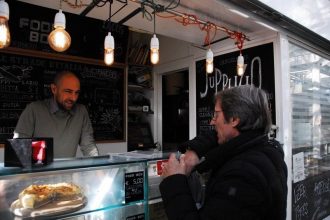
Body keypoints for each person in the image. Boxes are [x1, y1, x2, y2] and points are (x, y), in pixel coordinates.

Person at [159, 85, 288, 220]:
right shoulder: (266, 147)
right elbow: (219, 137)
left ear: (234, 119)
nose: (212, 121)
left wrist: (174, 181)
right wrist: (194, 151)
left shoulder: (242, 175)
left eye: (216, 114)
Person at [13, 71, 99, 158]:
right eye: (68, 91)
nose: (73, 98)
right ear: (54, 89)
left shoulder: (81, 111)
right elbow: (18, 147)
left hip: (67, 171)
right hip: (39, 171)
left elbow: (89, 146)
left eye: (76, 93)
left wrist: (98, 168)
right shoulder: (34, 110)